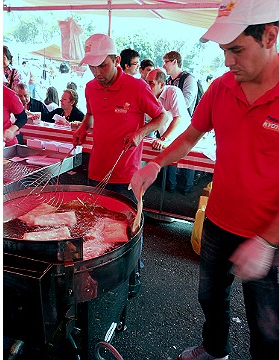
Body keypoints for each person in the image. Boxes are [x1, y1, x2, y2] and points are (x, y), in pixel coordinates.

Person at [130, 1, 279, 358]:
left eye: (237, 50)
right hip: (219, 220)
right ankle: (215, 350)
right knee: (211, 296)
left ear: (270, 36)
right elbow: (190, 136)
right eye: (224, 51)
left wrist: (267, 242)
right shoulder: (222, 87)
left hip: (270, 236)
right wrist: (155, 164)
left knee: (268, 323)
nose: (227, 61)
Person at [73, 33, 167, 298]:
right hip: (97, 169)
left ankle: (133, 272)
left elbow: (163, 116)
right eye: (92, 66)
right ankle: (102, 275)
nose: (97, 73)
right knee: (95, 225)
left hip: (126, 172)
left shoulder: (137, 87)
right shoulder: (91, 87)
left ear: (116, 60)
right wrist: (82, 128)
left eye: (102, 65)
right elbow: (91, 114)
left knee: (129, 229)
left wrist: (141, 133)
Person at [145, 68, 191, 193]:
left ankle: (185, 194)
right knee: (168, 170)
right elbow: (149, 120)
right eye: (146, 82)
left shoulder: (173, 92)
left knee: (187, 170)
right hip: (165, 136)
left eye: (151, 83)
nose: (147, 86)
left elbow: (178, 119)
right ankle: (168, 191)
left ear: (162, 84)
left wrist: (163, 138)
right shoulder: (149, 96)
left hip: (185, 135)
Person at [163, 50, 197, 193]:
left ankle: (187, 188)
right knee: (170, 152)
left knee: (187, 153)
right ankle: (170, 185)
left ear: (175, 61)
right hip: (171, 122)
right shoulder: (168, 81)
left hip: (186, 124)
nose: (164, 66)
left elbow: (187, 103)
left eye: (166, 62)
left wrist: (170, 107)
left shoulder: (189, 79)